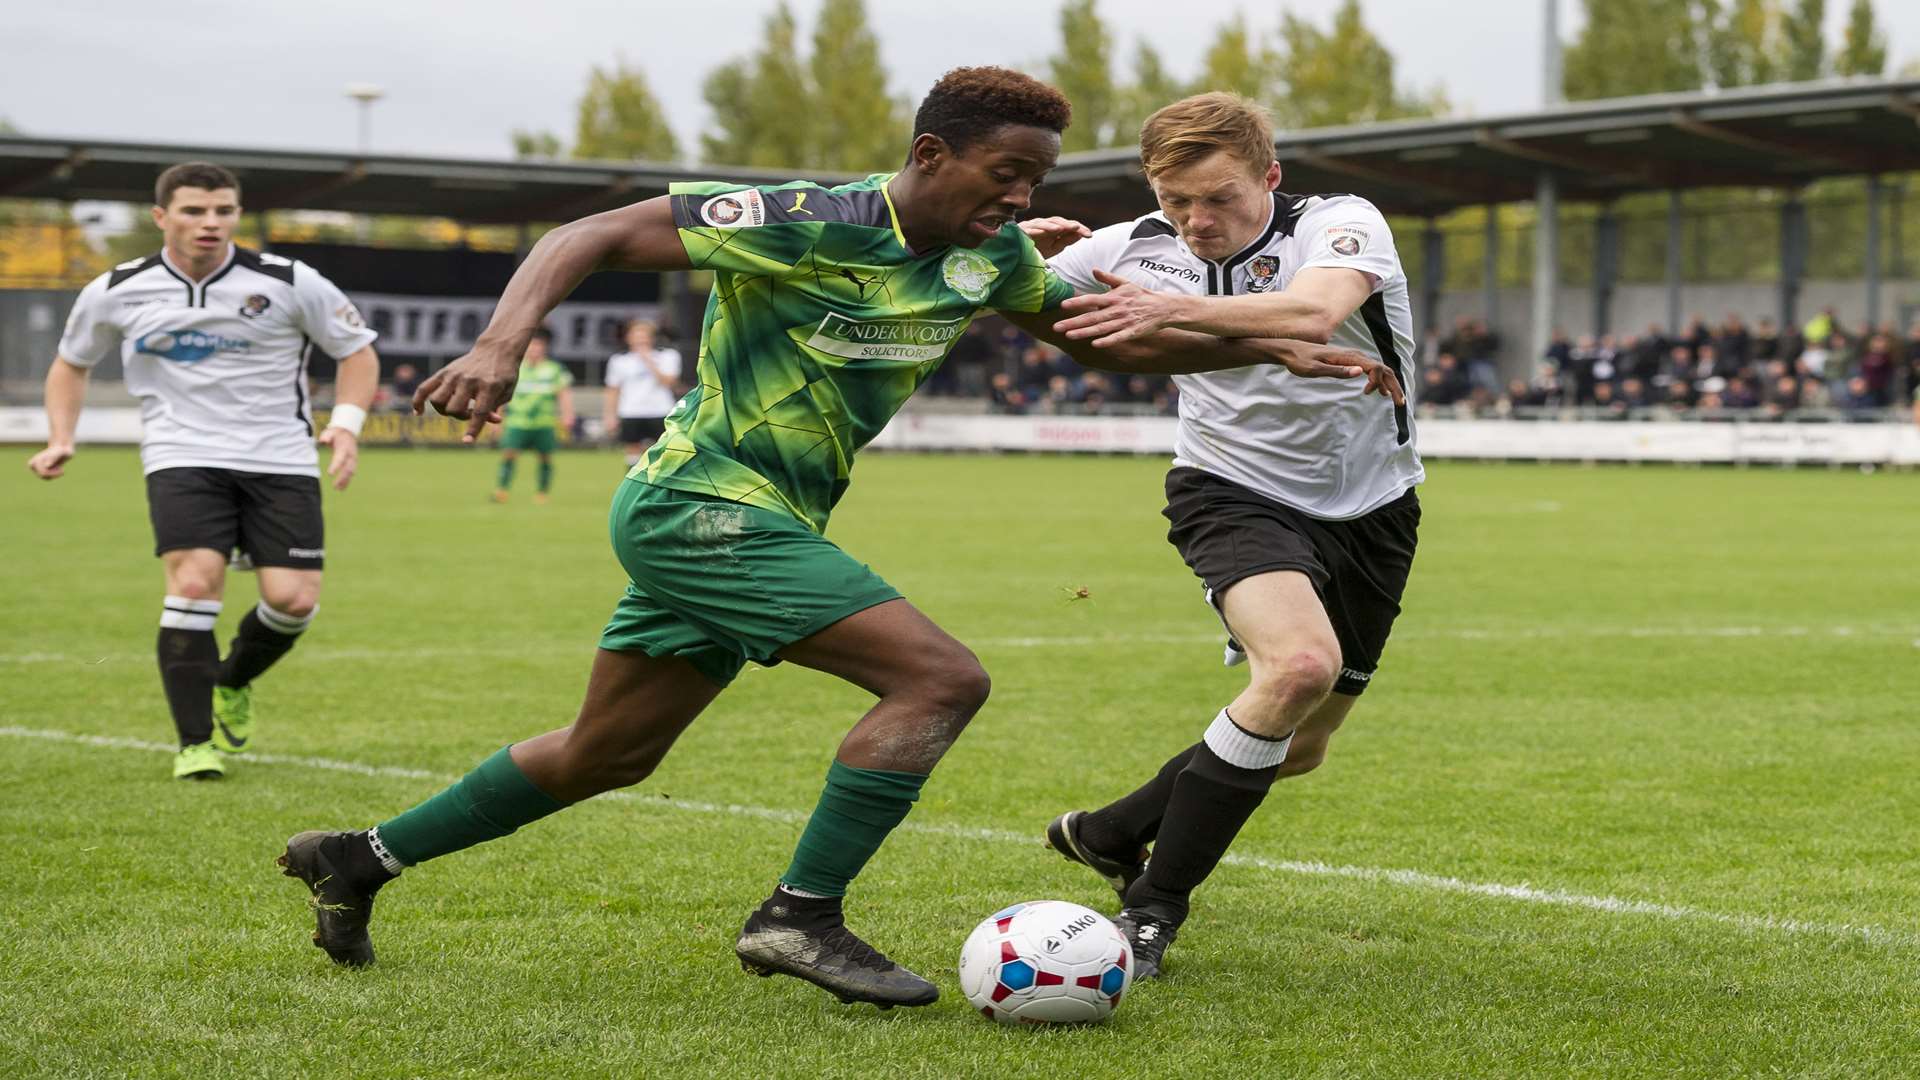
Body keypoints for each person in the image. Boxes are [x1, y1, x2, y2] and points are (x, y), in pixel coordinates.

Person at [273, 67, 1389, 1009]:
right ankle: (799, 916)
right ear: (933, 153)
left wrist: (1262, 350)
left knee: (605, 753)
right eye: (1006, 174)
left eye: (1038, 179)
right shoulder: (807, 218)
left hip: (761, 525)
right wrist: (503, 345)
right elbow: (592, 232)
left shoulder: (987, 261)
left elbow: (1111, 348)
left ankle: (357, 858)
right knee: (940, 679)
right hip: (696, 502)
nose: (1022, 196)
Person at [1018, 92, 1423, 979]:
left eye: (1221, 198)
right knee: (1299, 667)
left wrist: (1165, 315)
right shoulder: (1128, 249)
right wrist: (1001, 253)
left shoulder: (1338, 223)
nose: (1197, 222)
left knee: (1303, 744)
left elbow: (1313, 313)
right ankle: (1154, 906)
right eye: (1175, 201)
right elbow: (997, 294)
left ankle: (1114, 830)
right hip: (1229, 490)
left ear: (1269, 179)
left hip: (1376, 506)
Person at [26, 161, 379, 780]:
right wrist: (61, 437)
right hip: (181, 453)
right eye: (194, 211)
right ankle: (194, 744)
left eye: (223, 211)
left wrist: (345, 424)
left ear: (237, 215)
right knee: (193, 584)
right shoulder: (118, 288)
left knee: (292, 600)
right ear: (162, 217)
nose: (210, 223)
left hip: (280, 457)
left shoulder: (288, 280)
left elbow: (357, 351)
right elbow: (70, 362)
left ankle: (232, 680)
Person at [489, 327, 573, 504]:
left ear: (544, 348)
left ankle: (542, 492)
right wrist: (496, 419)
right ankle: (501, 490)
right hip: (517, 422)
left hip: (544, 423)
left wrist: (567, 415)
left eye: (538, 347)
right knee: (509, 455)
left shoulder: (554, 369)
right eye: (531, 346)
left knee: (545, 457)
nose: (535, 350)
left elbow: (564, 394)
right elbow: (502, 396)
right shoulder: (514, 369)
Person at [601, 319, 682, 467]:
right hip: (631, 411)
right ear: (628, 338)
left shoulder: (668, 356)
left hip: (660, 410)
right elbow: (613, 390)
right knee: (632, 453)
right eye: (636, 336)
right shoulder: (619, 360)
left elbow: (669, 382)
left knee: (663, 450)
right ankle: (635, 486)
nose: (641, 340)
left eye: (644, 336)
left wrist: (649, 361)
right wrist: (609, 416)